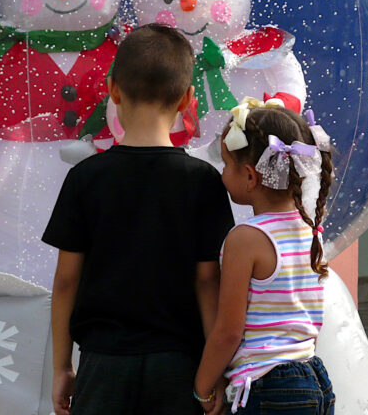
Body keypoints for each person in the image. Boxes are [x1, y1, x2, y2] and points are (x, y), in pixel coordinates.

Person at [42, 23, 235, 415]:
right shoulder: (203, 182)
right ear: (186, 100)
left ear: (113, 90)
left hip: (103, 364)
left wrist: (62, 366)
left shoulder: (85, 178)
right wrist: (214, 371)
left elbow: (65, 281)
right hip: (180, 365)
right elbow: (207, 279)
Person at [193, 98, 336, 414]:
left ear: (249, 175)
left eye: (227, 164)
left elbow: (228, 331)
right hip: (313, 378)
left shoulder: (246, 239)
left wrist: (202, 387)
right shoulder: (310, 229)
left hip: (268, 386)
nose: (221, 173)